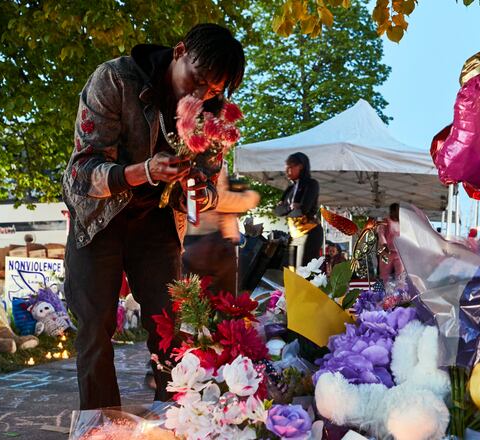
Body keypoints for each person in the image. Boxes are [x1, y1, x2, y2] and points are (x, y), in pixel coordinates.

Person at [62, 23, 245, 410]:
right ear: (179, 51)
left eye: (212, 90)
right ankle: (100, 426)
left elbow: (209, 190)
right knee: (95, 328)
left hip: (158, 227)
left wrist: (195, 193)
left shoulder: (213, 118)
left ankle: (173, 419)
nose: (198, 94)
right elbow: (81, 172)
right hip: (98, 220)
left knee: (169, 329)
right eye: (196, 80)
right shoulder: (116, 79)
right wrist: (144, 171)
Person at [183, 171, 260, 295]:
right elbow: (214, 199)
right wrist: (249, 198)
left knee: (209, 303)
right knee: (208, 303)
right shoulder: (205, 157)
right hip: (206, 241)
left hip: (211, 241)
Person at [274, 152, 323, 269]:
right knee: (289, 270)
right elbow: (277, 211)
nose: (287, 170)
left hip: (310, 232)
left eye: (290, 166)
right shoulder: (290, 188)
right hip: (295, 233)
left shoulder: (311, 184)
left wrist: (287, 208)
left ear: (300, 166)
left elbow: (303, 210)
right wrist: (291, 207)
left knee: (303, 271)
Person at [377, 203, 405, 283]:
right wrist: (384, 244)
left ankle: (401, 292)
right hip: (386, 251)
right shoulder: (386, 221)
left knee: (400, 275)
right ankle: (382, 293)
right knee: (384, 275)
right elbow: (381, 233)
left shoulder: (402, 223)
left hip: (399, 252)